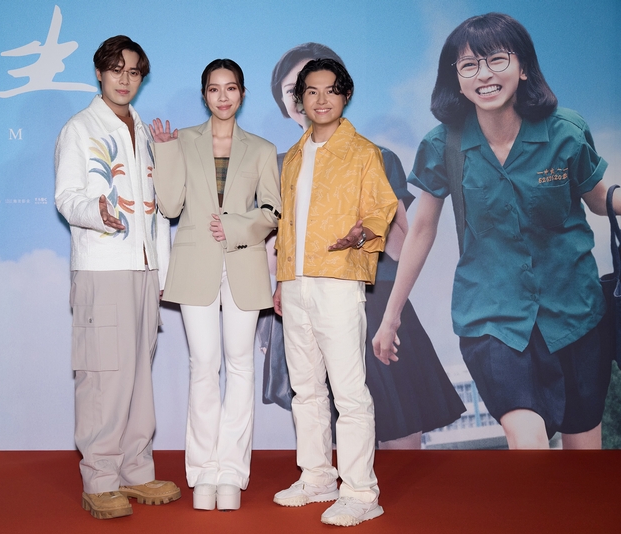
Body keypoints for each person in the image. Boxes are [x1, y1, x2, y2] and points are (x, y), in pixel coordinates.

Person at [373, 13, 620, 450]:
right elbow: (421, 230)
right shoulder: (442, 145)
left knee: (583, 460)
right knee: (529, 446)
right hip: (492, 319)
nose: (484, 74)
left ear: (523, 67)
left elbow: (598, 199)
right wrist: (391, 316)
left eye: (497, 60)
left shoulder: (566, 130)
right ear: (457, 79)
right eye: (469, 65)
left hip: (576, 312)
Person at [260, 42, 465, 448]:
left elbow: (400, 247)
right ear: (285, 103)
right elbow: (269, 257)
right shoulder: (277, 166)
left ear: (342, 89)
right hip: (308, 304)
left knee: (402, 443)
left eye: (321, 82)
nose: (309, 95)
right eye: (293, 89)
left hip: (375, 303)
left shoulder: (377, 157)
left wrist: (365, 220)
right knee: (327, 436)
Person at [54, 35, 179, 520]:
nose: (125, 80)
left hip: (144, 268)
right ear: (99, 73)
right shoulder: (80, 128)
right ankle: (100, 479)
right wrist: (96, 212)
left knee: (138, 373)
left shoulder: (143, 130)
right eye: (116, 69)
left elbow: (159, 209)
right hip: (102, 266)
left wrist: (161, 268)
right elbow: (67, 197)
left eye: (133, 72)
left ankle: (135, 469)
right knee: (104, 374)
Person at [150, 59, 281, 511]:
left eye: (230, 88)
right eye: (213, 89)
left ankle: (232, 473)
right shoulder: (182, 141)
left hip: (244, 263)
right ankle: (203, 471)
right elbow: (170, 206)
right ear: (204, 95)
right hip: (195, 264)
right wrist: (164, 153)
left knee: (240, 366)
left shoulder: (262, 149)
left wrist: (236, 226)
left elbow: (273, 211)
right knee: (203, 366)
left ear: (242, 93)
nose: (222, 97)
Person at [273, 58, 396, 527]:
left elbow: (382, 208)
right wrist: (282, 280)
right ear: (300, 100)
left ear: (345, 95)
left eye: (330, 90)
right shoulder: (294, 156)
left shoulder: (363, 152)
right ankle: (317, 477)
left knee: (349, 392)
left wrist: (362, 235)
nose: (321, 100)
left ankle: (361, 491)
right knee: (305, 390)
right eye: (311, 91)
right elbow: (286, 226)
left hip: (339, 280)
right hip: (296, 283)